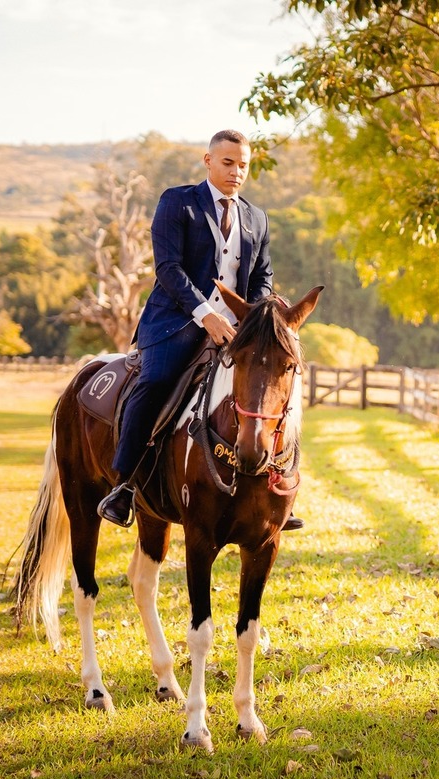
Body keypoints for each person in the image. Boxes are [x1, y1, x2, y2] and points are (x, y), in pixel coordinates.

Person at [97, 129, 304, 531]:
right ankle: (123, 485)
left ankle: (276, 485)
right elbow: (168, 270)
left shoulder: (256, 218)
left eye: (243, 165)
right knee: (156, 381)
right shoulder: (178, 203)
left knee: (273, 392)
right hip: (176, 322)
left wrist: (256, 316)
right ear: (208, 161)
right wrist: (206, 314)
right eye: (228, 163)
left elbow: (263, 275)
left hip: (238, 332)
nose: (236, 172)